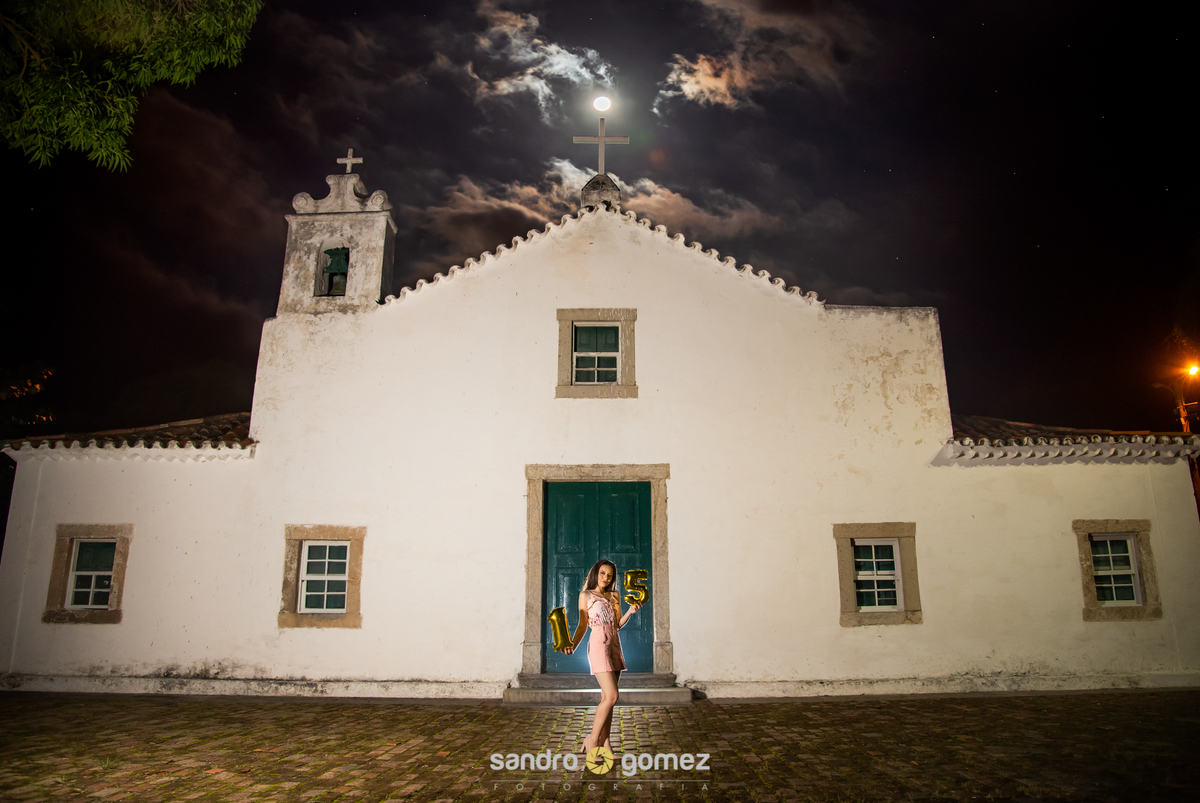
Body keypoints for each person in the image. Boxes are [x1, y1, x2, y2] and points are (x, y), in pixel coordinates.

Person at [563, 559, 641, 754]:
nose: (606, 578)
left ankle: (606, 744)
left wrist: (631, 611)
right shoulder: (586, 595)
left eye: (610, 575)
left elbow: (617, 624)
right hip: (598, 644)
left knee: (608, 698)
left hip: (614, 643)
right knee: (612, 695)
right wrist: (572, 644)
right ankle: (592, 741)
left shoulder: (614, 595)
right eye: (602, 574)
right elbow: (582, 625)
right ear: (595, 574)